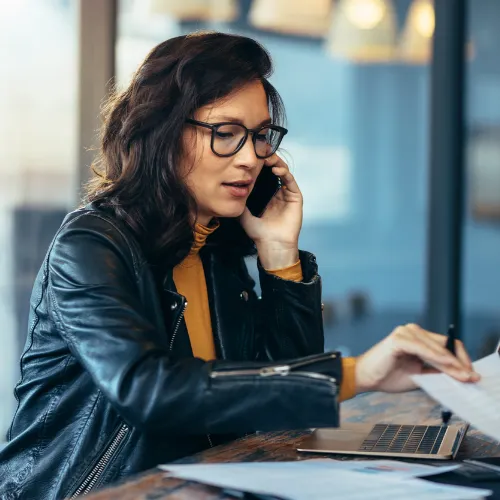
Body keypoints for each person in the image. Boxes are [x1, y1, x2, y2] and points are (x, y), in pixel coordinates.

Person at [0, 32, 479, 500]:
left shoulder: (216, 251)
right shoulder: (91, 243)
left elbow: (279, 404)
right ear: (161, 132)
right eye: (226, 134)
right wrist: (354, 374)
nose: (251, 157)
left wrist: (279, 256)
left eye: (261, 136)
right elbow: (150, 390)